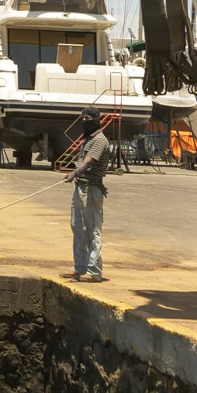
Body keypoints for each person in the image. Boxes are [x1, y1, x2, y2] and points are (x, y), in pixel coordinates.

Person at [67, 108, 111, 281]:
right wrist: (76, 176)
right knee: (76, 226)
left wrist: (74, 173)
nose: (84, 121)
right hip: (80, 187)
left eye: (87, 118)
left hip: (92, 189)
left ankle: (94, 270)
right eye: (82, 118)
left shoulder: (100, 140)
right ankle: (79, 267)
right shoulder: (87, 138)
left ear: (95, 120)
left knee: (92, 229)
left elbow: (88, 161)